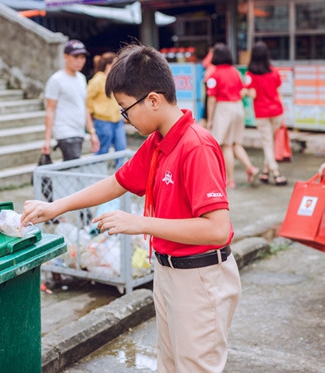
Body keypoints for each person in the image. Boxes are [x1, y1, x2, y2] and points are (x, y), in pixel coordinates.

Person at [22, 43, 241, 373]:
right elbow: (117, 182)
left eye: (126, 109)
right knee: (171, 365)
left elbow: (216, 229)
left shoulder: (195, 145)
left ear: (153, 99)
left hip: (200, 276)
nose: (124, 119)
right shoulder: (158, 142)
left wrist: (141, 223)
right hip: (168, 271)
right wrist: (55, 206)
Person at [206, 42, 259, 188]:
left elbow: (211, 99)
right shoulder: (235, 71)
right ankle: (250, 168)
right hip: (238, 108)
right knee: (236, 143)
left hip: (224, 109)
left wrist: (210, 120)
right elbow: (243, 90)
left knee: (226, 146)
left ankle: (231, 180)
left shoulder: (214, 74)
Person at [43, 39, 99, 161]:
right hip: (65, 131)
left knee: (71, 169)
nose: (80, 61)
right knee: (73, 167)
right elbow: (50, 110)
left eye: (82, 57)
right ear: (65, 57)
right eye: (75, 57)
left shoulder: (81, 78)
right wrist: (47, 140)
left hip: (79, 131)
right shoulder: (56, 80)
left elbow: (84, 106)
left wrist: (92, 133)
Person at [245, 41, 288, 186]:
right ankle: (265, 172)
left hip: (262, 113)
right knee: (270, 143)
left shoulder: (250, 74)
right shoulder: (274, 71)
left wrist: (245, 91)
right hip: (277, 111)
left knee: (267, 143)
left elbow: (253, 94)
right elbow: (278, 92)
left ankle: (276, 173)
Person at [86, 52, 127, 169]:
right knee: (102, 150)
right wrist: (92, 113)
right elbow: (88, 100)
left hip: (117, 120)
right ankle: (95, 172)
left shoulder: (115, 79)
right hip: (103, 121)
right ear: (107, 65)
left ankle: (122, 178)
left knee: (122, 149)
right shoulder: (97, 80)